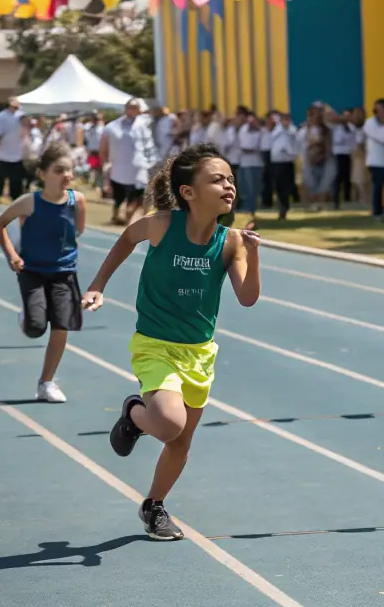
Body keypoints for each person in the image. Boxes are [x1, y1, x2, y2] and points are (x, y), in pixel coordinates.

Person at [83, 144, 261, 541]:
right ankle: (134, 414)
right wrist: (97, 285)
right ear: (188, 192)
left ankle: (154, 506)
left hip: (199, 352)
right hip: (155, 345)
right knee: (167, 424)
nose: (229, 185)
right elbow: (126, 240)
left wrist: (253, 255)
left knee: (180, 441)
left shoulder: (230, 242)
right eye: (217, 179)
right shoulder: (161, 224)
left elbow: (247, 298)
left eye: (231, 178)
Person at [0, 142, 86, 403]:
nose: (67, 175)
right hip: (32, 270)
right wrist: (12, 254)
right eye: (59, 170)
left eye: (69, 170)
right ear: (43, 174)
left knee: (61, 324)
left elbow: (78, 231)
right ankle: (28, 317)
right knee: (35, 328)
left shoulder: (77, 201)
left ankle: (46, 382)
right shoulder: (28, 203)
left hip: (64, 272)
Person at [102, 99, 155, 225]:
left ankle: (129, 217)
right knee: (118, 198)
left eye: (136, 108)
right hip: (118, 169)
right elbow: (104, 147)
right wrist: (104, 163)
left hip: (138, 170)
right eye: (131, 107)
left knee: (136, 197)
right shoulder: (112, 127)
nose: (134, 110)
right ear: (126, 109)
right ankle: (117, 216)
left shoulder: (145, 125)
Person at [0, 97, 27, 203]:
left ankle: (15, 197)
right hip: (2, 153)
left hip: (17, 153)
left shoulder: (22, 115)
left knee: (16, 179)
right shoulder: (0, 117)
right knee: (0, 177)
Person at [331, 108, 362, 208]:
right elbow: (337, 140)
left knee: (348, 178)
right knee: (337, 178)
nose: (346, 118)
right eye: (344, 115)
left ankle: (347, 199)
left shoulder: (352, 127)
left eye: (348, 116)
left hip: (349, 154)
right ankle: (336, 201)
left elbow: (355, 141)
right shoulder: (336, 127)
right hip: (338, 154)